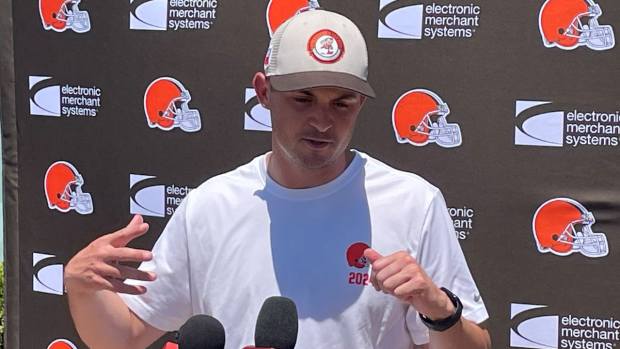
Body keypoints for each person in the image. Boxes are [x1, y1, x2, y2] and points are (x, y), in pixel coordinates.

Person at [64, 8, 491, 349]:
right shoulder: (211, 206)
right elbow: (124, 336)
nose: (322, 121)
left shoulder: (413, 202)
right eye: (303, 99)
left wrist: (438, 309)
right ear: (264, 92)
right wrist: (81, 288)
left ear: (360, 103)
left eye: (341, 103)